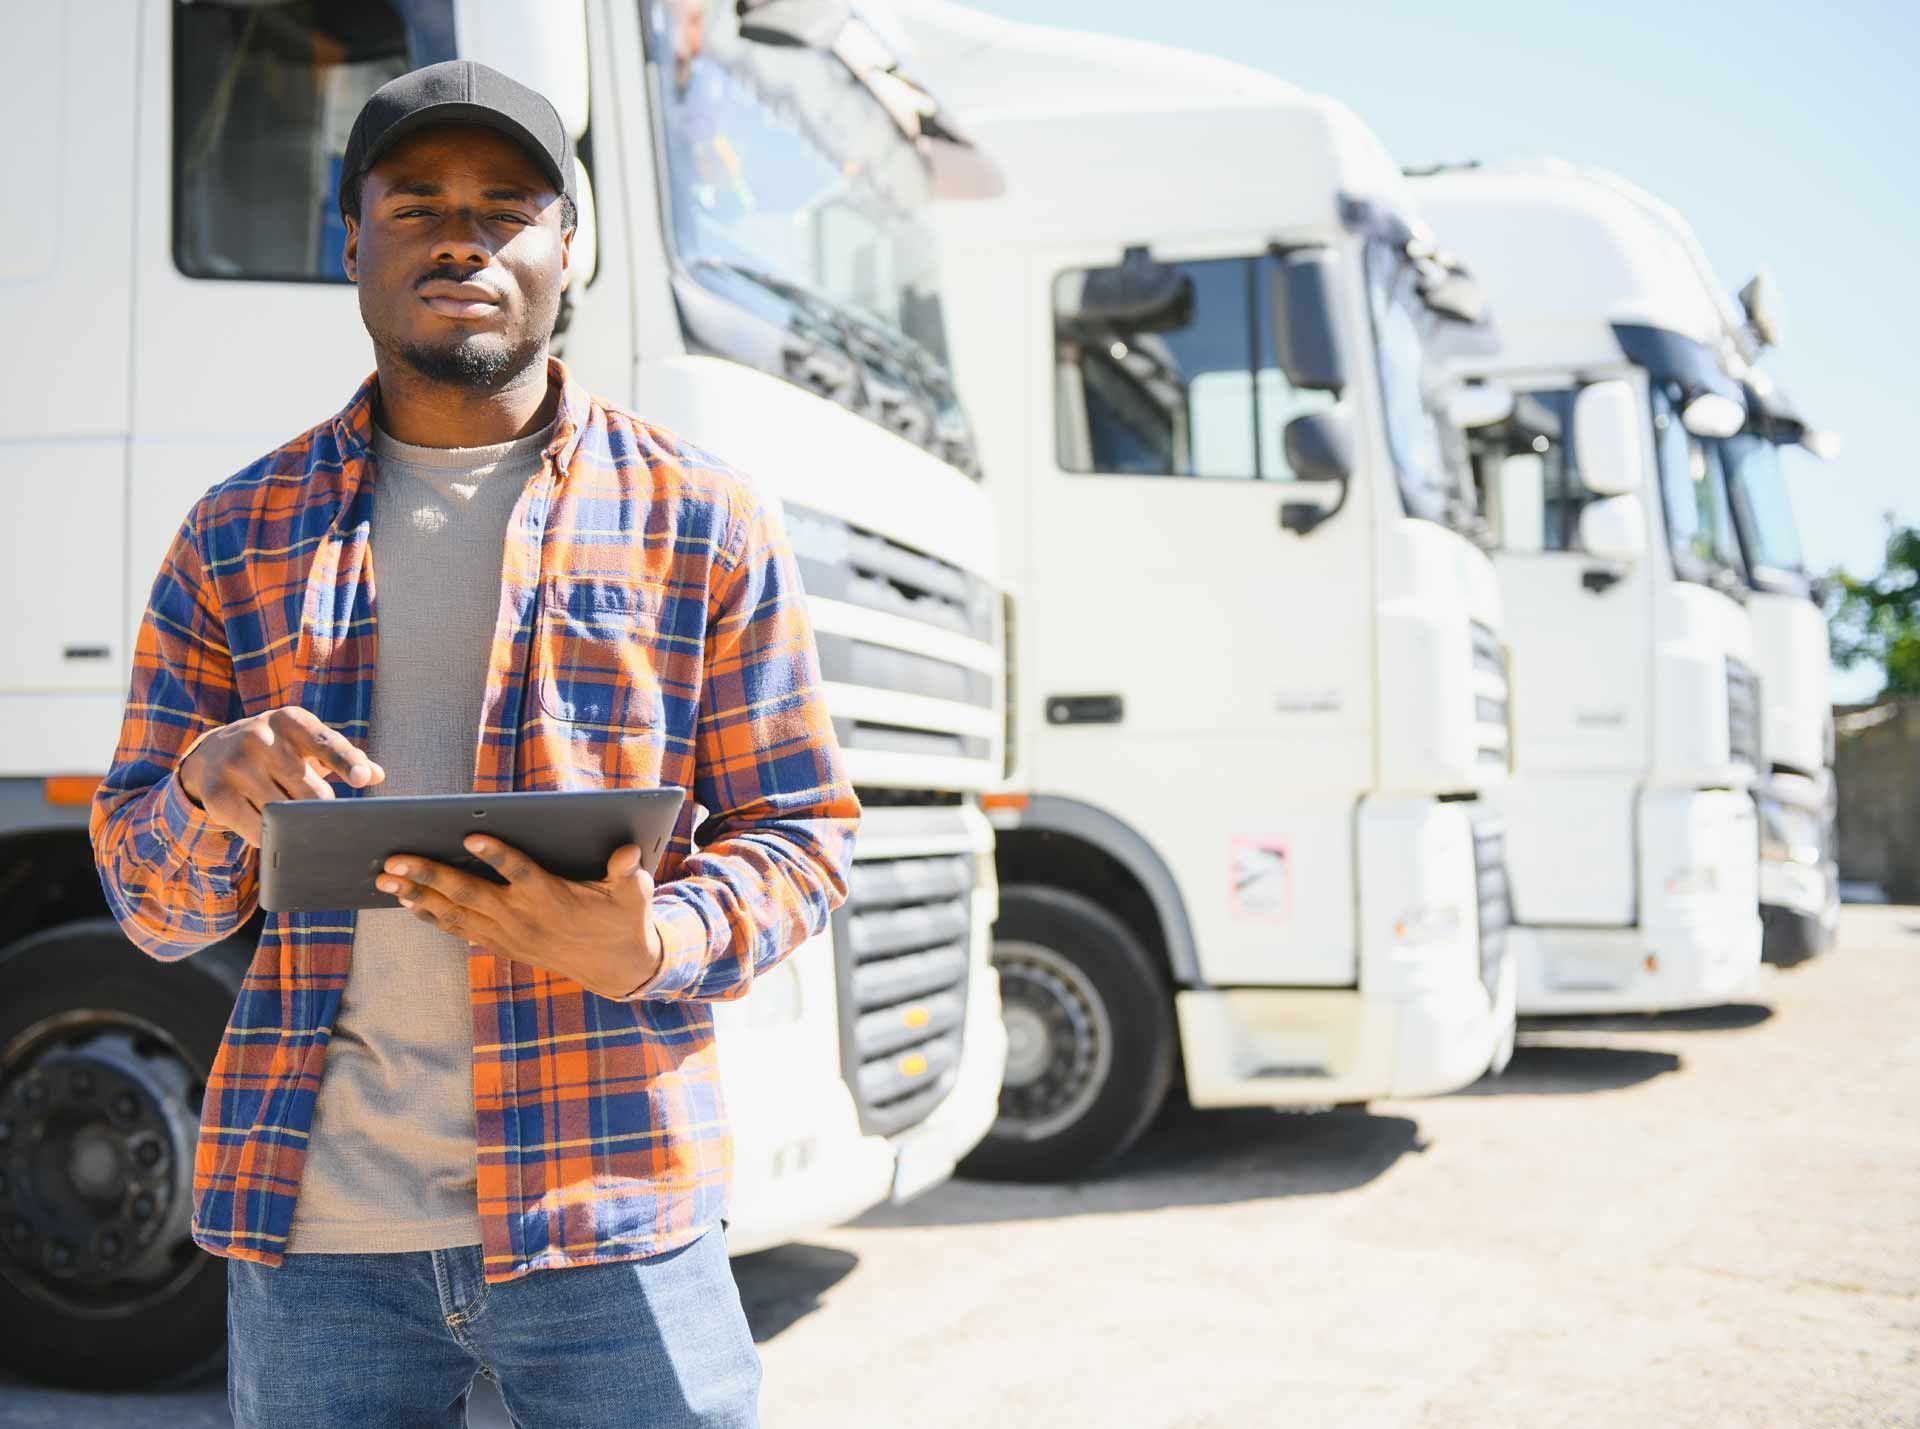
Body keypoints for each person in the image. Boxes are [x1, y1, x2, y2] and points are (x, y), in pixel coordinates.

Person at [89, 60, 858, 1428]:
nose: (464, 238)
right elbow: (151, 906)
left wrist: (657, 942)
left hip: (611, 1207)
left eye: (508, 208)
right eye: (418, 205)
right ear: (352, 244)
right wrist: (207, 786)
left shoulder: (701, 518)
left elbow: (804, 832)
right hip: (317, 1239)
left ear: (569, 249)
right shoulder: (234, 533)